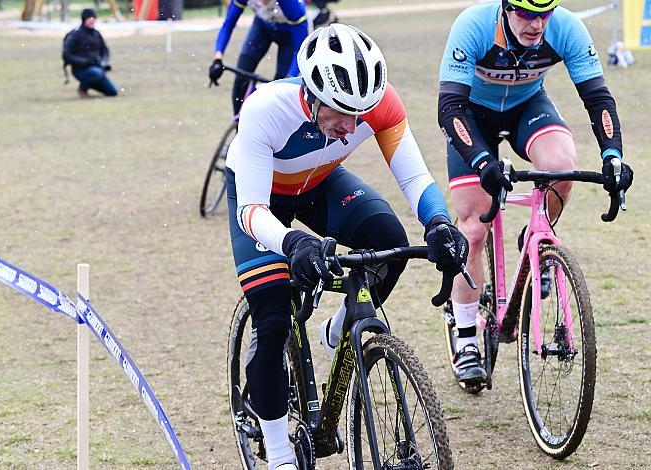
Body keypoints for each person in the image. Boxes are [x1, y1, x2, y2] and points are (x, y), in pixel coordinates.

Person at [226, 24, 469, 469]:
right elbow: (251, 211)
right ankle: (279, 450)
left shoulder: (380, 104)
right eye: (340, 113)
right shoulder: (266, 110)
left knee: (390, 245)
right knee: (274, 316)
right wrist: (294, 241)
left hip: (320, 184)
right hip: (261, 200)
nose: (351, 127)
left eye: (361, 114)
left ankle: (340, 327)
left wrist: (439, 223)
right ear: (311, 95)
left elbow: (414, 177)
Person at [438, 0, 633, 385]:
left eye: (544, 13)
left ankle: (536, 238)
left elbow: (597, 98)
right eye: (527, 14)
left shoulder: (566, 28)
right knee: (474, 228)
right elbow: (450, 107)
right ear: (507, 8)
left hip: (529, 107)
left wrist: (613, 155)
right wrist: (480, 161)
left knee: (562, 164)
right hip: (472, 115)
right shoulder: (474, 25)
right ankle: (465, 338)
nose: (537, 24)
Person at [208, 0, 308, 114]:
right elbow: (228, 25)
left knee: (281, 89)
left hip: (289, 36)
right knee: (241, 76)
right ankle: (238, 125)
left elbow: (300, 50)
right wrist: (218, 58)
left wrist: (290, 76)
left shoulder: (291, 5)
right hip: (262, 28)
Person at [62, 9, 118, 98]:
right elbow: (66, 55)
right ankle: (82, 89)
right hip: (80, 70)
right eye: (89, 18)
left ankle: (90, 82)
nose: (92, 20)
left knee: (113, 92)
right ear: (84, 19)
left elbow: (105, 50)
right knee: (95, 73)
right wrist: (84, 61)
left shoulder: (96, 34)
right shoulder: (75, 35)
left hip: (97, 69)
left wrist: (103, 62)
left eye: (93, 18)